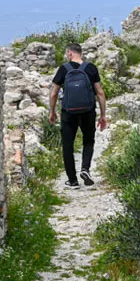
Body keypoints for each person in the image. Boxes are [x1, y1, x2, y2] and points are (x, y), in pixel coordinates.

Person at [48, 43, 107, 189]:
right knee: (88, 141)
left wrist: (52, 111)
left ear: (69, 53)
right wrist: (103, 115)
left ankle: (72, 181)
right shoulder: (91, 68)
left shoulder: (63, 69)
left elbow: (54, 92)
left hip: (68, 112)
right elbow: (100, 93)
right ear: (80, 53)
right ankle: (85, 169)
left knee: (68, 145)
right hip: (88, 111)